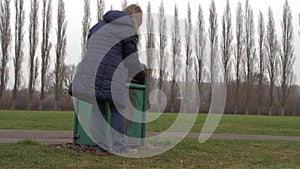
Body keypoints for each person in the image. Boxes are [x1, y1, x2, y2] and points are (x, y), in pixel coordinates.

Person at [70, 4, 146, 154]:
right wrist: (140, 74)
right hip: (113, 74)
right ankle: (120, 148)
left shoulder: (100, 24)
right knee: (117, 108)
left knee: (98, 108)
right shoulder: (127, 29)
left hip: (92, 72)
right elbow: (130, 58)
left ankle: (102, 148)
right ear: (137, 19)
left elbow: (90, 43)